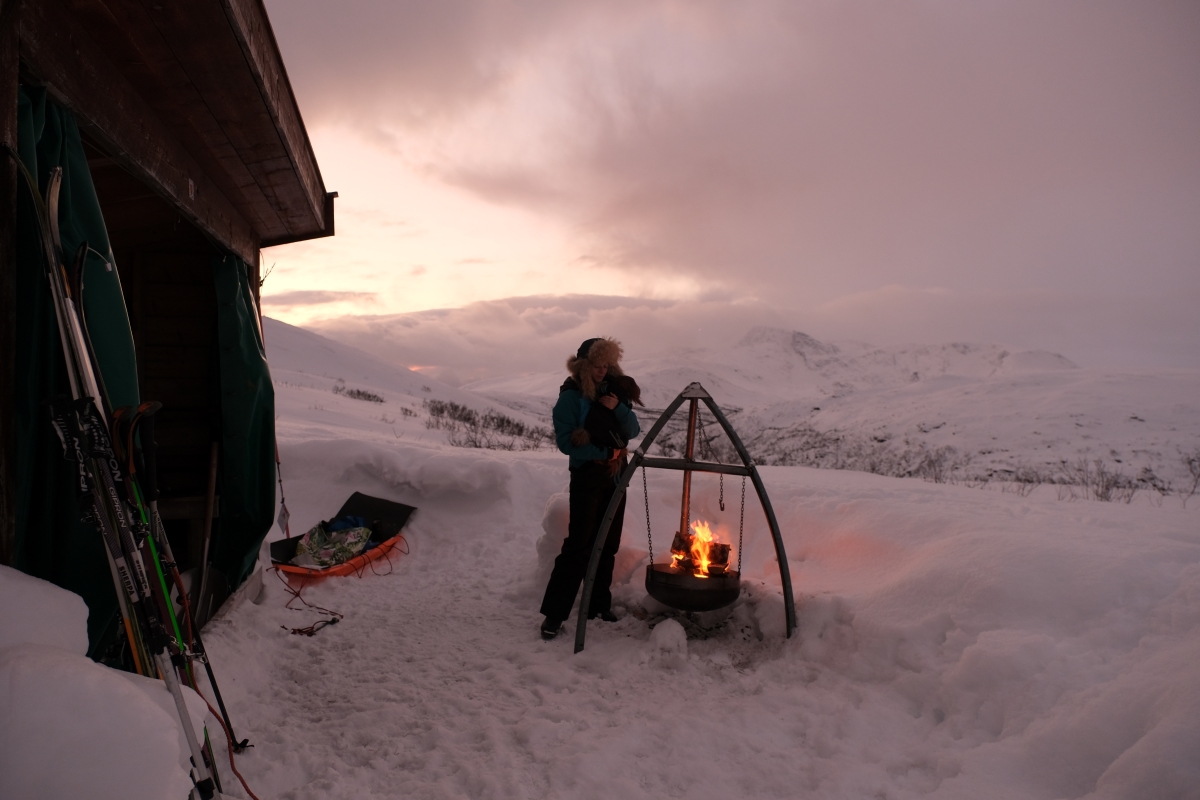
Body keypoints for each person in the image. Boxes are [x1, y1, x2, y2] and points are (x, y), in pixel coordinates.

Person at [539, 337, 642, 640]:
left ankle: (598, 605)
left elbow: (633, 430)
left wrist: (618, 408)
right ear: (584, 365)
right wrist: (604, 454)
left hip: (615, 475)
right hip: (587, 475)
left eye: (606, 364)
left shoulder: (613, 390)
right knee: (579, 546)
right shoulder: (570, 398)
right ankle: (554, 616)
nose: (602, 370)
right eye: (597, 365)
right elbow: (566, 443)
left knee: (607, 544)